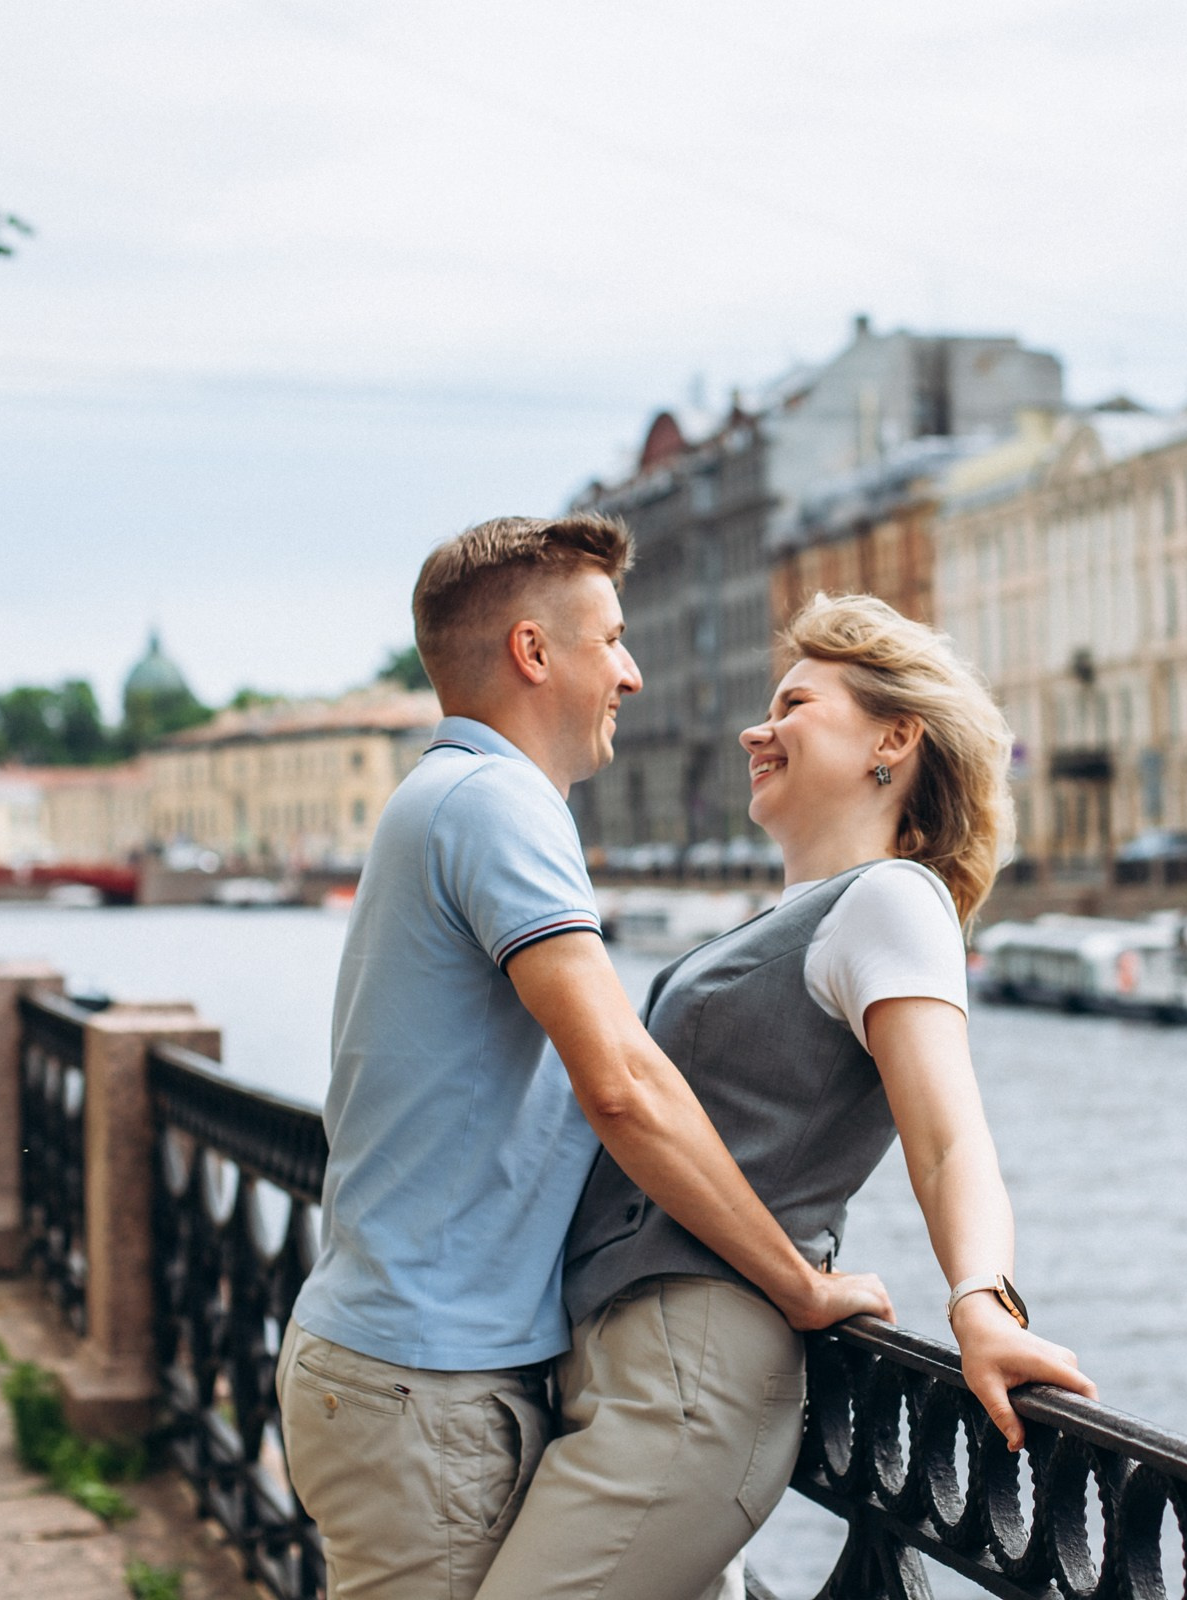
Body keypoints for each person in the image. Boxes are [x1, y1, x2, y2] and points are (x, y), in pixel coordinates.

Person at [277, 516, 892, 1600]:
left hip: (409, 1367)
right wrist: (796, 1280)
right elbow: (622, 1082)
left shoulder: (446, 798)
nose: (632, 671)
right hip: (427, 1382)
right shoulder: (497, 803)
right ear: (533, 651)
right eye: (609, 638)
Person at [477, 593, 1097, 1600]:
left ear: (892, 739)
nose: (754, 729)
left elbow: (947, 1137)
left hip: (693, 1367)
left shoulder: (891, 900)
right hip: (630, 1356)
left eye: (794, 702)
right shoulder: (792, 917)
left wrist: (983, 1301)